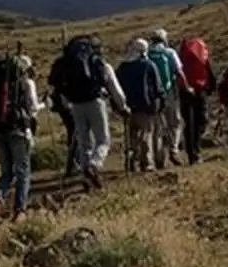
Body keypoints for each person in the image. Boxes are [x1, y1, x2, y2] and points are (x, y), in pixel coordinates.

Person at [58, 35, 129, 190]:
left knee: (84, 142)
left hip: (76, 104)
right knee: (103, 140)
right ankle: (94, 166)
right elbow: (115, 89)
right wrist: (123, 107)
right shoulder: (101, 64)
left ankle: (86, 177)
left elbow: (62, 88)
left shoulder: (71, 64)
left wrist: (68, 105)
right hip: (96, 102)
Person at [0, 55, 41, 223]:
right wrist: (45, 105)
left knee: (6, 172)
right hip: (18, 130)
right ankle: (20, 210)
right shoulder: (26, 83)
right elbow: (32, 109)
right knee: (23, 172)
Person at [115, 39, 164, 173]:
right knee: (146, 134)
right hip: (145, 106)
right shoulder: (148, 65)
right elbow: (157, 86)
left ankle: (131, 159)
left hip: (127, 107)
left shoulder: (122, 67)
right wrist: (161, 101)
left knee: (131, 136)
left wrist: (118, 106)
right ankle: (146, 163)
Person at [147, 29, 188, 168]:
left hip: (154, 96)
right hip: (170, 93)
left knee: (157, 128)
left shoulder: (147, 54)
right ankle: (174, 149)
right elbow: (179, 72)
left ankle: (159, 158)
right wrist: (186, 87)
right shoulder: (169, 53)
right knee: (175, 123)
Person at [176, 36, 216, 166]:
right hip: (200, 91)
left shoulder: (181, 58)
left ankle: (191, 153)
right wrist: (211, 89)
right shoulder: (202, 58)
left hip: (185, 92)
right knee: (200, 121)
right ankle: (196, 150)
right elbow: (210, 74)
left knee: (189, 123)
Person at [46, 53, 78, 176]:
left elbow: (51, 81)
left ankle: (72, 165)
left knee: (72, 132)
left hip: (60, 102)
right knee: (76, 133)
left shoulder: (59, 63)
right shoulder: (74, 65)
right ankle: (73, 164)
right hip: (70, 102)